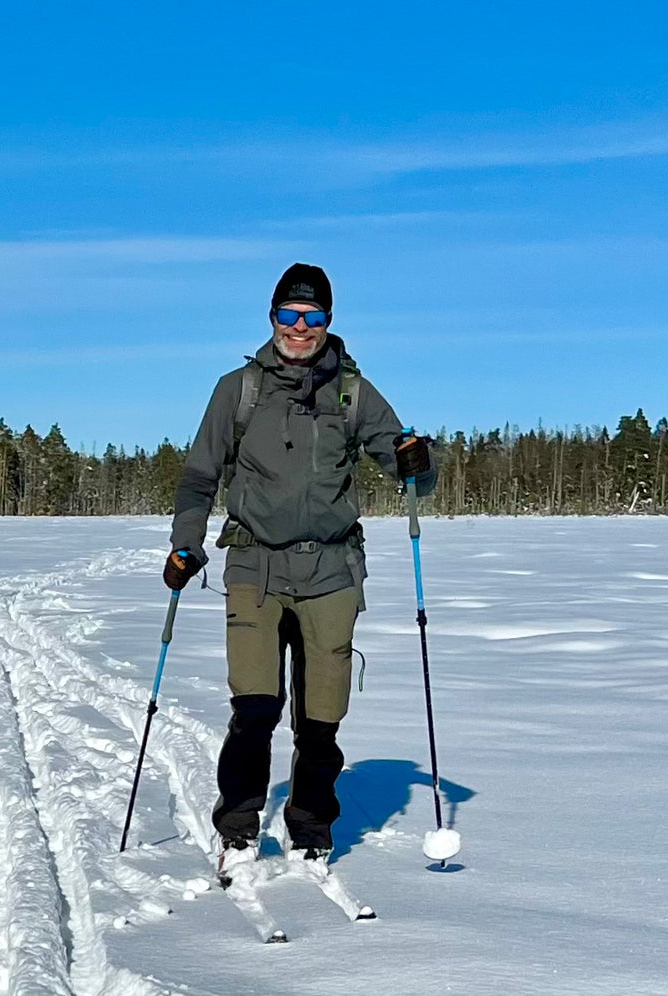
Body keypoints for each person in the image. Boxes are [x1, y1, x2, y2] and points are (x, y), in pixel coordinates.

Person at [164, 262, 436, 869]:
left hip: (331, 571)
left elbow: (408, 470)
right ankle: (238, 830)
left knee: (320, 718)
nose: (300, 327)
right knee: (255, 708)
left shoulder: (353, 393)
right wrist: (187, 544)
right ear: (272, 317)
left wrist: (417, 461)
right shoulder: (238, 390)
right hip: (255, 569)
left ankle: (311, 828)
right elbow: (199, 478)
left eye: (313, 316)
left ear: (328, 321)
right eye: (289, 314)